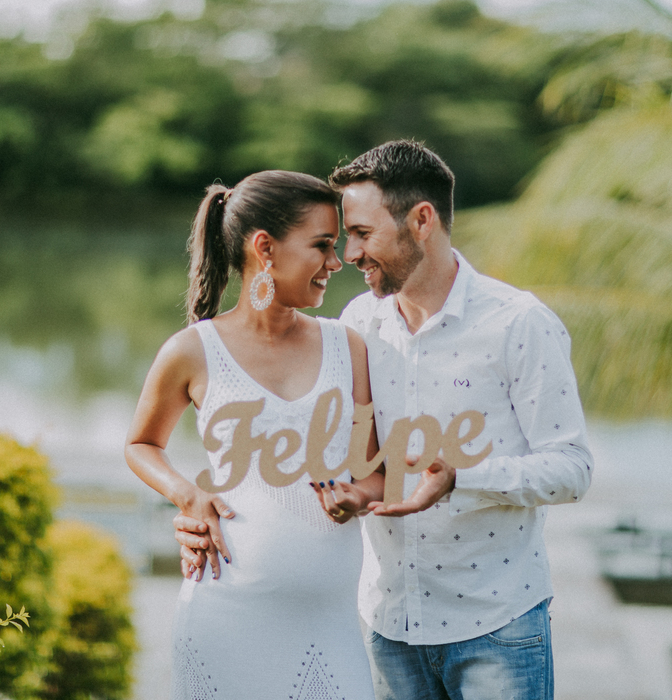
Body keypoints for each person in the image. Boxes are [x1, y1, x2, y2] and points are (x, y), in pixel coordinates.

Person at [177, 141, 594, 700]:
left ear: (421, 220)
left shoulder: (519, 324)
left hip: (497, 625)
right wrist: (200, 512)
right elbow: (297, 449)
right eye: (342, 237)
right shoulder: (357, 324)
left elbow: (572, 469)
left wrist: (460, 478)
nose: (349, 253)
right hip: (387, 628)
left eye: (363, 234)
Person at [124, 170, 384, 700]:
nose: (336, 263)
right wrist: (187, 494)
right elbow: (141, 444)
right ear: (264, 247)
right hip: (224, 618)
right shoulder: (192, 350)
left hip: (329, 629)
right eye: (322, 246)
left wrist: (357, 496)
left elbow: (375, 475)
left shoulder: (347, 347)